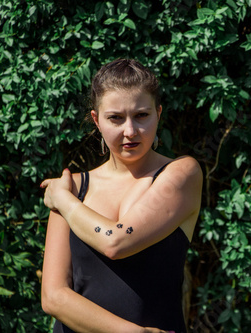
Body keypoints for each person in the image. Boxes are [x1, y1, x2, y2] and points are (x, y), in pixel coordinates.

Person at [40, 58, 203, 333]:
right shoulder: (74, 186)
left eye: (141, 115)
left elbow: (116, 241)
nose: (130, 131)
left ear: (158, 114)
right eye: (115, 118)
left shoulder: (182, 173)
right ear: (97, 120)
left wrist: (64, 202)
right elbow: (53, 297)